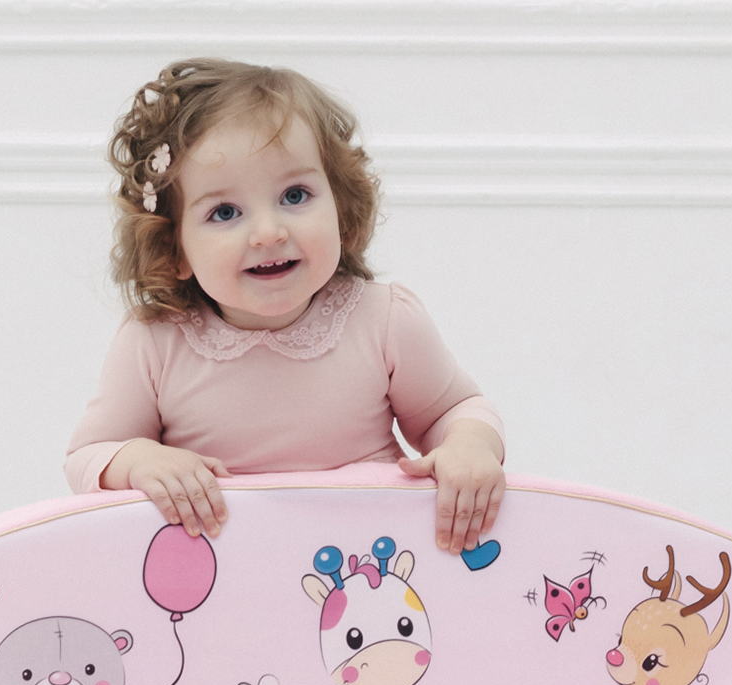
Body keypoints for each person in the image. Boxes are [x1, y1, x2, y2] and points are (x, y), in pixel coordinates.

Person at [66, 58, 506, 555]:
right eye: (225, 212)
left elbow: (456, 408)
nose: (269, 232)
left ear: (342, 211)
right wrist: (140, 461)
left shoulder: (383, 321)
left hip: (370, 563)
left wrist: (468, 444)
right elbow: (88, 456)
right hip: (225, 572)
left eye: (295, 195)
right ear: (174, 249)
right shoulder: (155, 342)